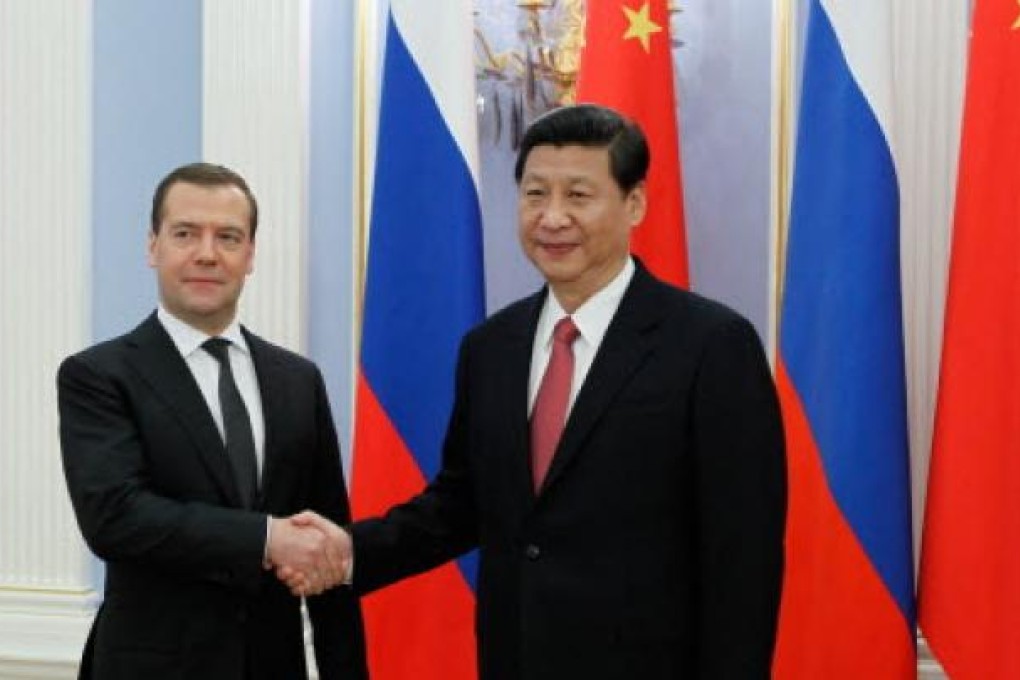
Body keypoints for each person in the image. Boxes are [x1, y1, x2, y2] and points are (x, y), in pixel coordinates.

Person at [291, 104, 787, 678]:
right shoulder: (490, 347)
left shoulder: (711, 345)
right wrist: (348, 551)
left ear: (634, 204)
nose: (552, 218)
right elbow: (460, 504)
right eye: (534, 195)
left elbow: (742, 558)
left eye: (578, 196)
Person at [58, 162, 367, 680]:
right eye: (185, 234)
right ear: (153, 247)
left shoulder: (298, 380)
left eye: (227, 237)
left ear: (249, 255)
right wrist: (267, 539)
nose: (207, 253)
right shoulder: (99, 375)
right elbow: (115, 518)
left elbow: (326, 544)